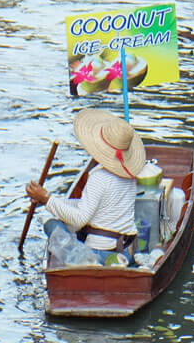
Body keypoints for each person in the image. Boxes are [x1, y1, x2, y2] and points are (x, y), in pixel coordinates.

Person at [25, 108, 145, 260]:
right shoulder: (129, 174)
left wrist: (47, 199)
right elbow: (89, 205)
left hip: (100, 252)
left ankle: (86, 261)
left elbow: (79, 219)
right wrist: (46, 200)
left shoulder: (99, 177)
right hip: (125, 249)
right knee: (60, 216)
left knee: (51, 224)